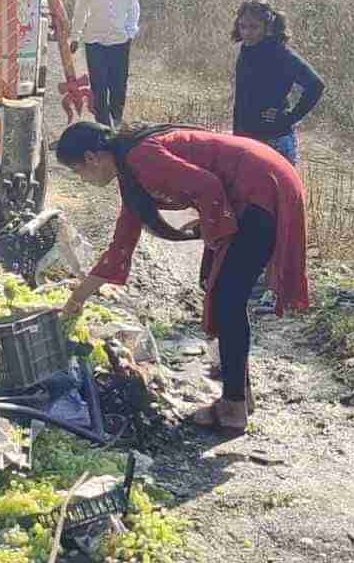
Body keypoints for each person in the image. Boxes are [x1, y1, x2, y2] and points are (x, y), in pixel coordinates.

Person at [57, 121, 310, 433]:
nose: (82, 179)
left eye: (77, 171)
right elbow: (120, 248)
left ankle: (233, 408)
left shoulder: (140, 157)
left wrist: (213, 231)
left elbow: (206, 187)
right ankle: (240, 396)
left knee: (227, 297)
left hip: (262, 186)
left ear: (91, 157)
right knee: (221, 290)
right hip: (261, 181)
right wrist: (77, 298)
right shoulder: (131, 171)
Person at [231, 0, 325, 166]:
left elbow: (316, 85)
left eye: (254, 27)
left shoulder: (280, 54)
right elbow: (241, 97)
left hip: (276, 141)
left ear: (267, 28)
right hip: (248, 139)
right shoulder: (246, 50)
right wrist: (237, 136)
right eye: (243, 26)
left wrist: (289, 118)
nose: (246, 32)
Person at [69, 0, 140, 127]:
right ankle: (102, 127)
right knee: (99, 87)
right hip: (95, 41)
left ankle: (115, 123)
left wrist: (130, 32)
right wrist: (75, 36)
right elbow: (81, 9)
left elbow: (134, 8)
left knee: (118, 86)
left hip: (119, 41)